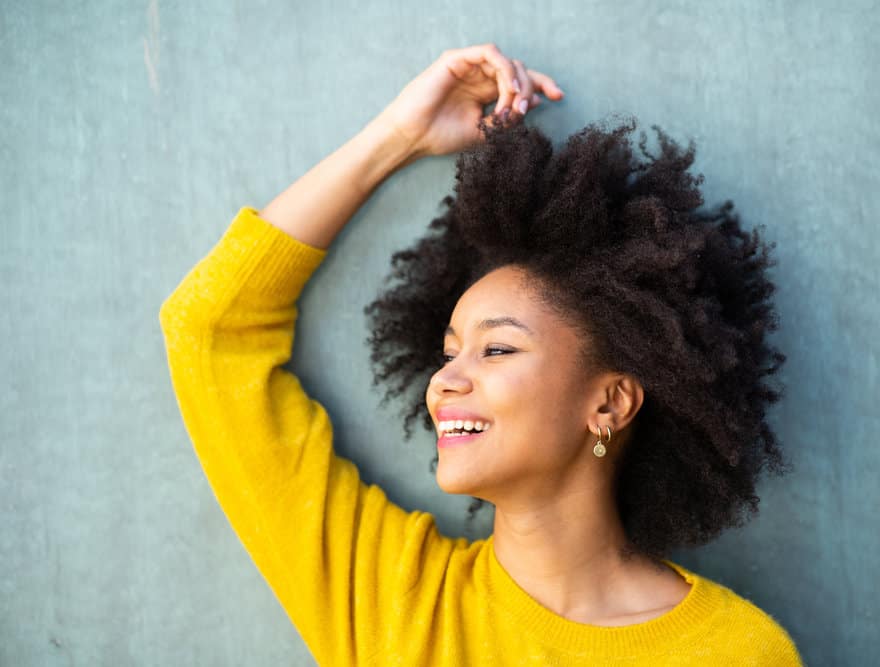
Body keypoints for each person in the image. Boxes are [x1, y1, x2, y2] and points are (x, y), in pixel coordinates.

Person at [160, 43, 803, 665]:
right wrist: (397, 139)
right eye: (446, 355)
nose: (443, 384)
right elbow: (210, 331)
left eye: (495, 348)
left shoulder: (737, 652)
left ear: (609, 401)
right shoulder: (391, 599)